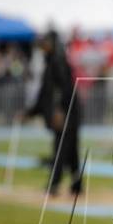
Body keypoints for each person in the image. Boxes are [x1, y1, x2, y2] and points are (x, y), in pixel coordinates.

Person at [20, 31, 81, 196]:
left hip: (66, 113)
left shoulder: (58, 62)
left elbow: (65, 89)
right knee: (71, 149)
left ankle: (55, 184)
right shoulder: (51, 63)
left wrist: (60, 110)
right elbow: (44, 94)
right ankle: (77, 185)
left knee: (61, 149)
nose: (42, 47)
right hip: (64, 112)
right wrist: (30, 112)